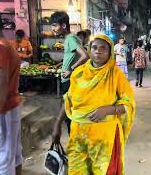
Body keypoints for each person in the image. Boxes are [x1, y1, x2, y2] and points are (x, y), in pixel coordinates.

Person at [52, 34, 136, 174]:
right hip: (79, 135)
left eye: (103, 48)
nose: (98, 51)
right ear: (89, 50)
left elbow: (128, 104)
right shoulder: (78, 73)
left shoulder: (116, 75)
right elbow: (68, 100)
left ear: (110, 52)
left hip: (104, 139)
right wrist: (57, 125)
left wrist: (107, 110)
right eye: (95, 47)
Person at [0, 9, 23, 175]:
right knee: (13, 156)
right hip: (8, 107)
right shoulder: (7, 44)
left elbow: (1, 83)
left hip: (0, 110)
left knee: (1, 160)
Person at [50, 11, 88, 134]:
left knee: (69, 114)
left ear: (64, 25)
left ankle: (74, 143)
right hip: (70, 79)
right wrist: (63, 64)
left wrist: (70, 70)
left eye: (55, 25)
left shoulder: (70, 38)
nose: (53, 29)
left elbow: (84, 55)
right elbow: (74, 57)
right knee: (70, 111)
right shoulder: (71, 38)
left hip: (69, 81)